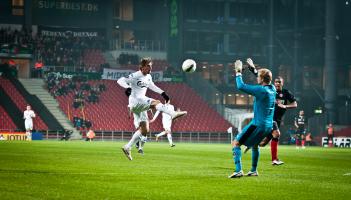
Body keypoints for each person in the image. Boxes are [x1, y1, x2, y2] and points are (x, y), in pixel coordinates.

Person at [117, 57, 187, 160]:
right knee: (156, 103)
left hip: (142, 104)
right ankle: (172, 114)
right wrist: (127, 87)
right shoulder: (135, 75)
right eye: (148, 66)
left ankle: (127, 147)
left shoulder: (148, 77)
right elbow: (120, 80)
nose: (150, 68)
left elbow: (153, 86)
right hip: (135, 103)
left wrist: (163, 94)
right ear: (142, 67)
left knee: (145, 130)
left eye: (151, 66)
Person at [228, 59, 276, 178]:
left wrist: (238, 72)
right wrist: (254, 69)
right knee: (254, 145)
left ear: (262, 79)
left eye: (258, 77)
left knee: (236, 143)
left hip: (257, 124)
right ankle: (253, 170)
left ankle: (238, 170)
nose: (256, 78)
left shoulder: (261, 90)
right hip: (268, 126)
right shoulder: (272, 89)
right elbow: (264, 78)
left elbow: (241, 86)